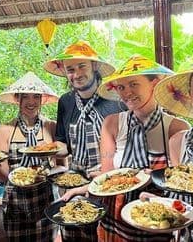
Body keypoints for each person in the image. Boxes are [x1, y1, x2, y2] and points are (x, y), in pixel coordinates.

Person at [62, 55, 189, 241]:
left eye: (133, 84)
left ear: (154, 83)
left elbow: (181, 184)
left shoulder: (177, 128)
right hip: (115, 218)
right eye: (121, 87)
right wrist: (88, 187)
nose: (126, 92)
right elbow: (107, 177)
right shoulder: (112, 124)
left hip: (157, 220)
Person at [44, 40, 126, 242]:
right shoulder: (66, 101)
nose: (76, 74)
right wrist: (47, 149)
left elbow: (127, 146)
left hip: (109, 181)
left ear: (95, 66)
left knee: (105, 235)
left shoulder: (116, 99)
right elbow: (64, 146)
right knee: (74, 234)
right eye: (70, 69)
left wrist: (110, 170)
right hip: (75, 180)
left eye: (82, 66)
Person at [0, 71, 59, 242]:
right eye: (25, 97)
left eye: (36, 97)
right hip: (16, 199)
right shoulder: (5, 129)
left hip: (47, 198)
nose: (31, 102)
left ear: (41, 100)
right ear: (17, 99)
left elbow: (60, 162)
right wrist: (19, 180)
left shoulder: (51, 126)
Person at [154, 59, 193, 242]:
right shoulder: (178, 142)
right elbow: (180, 200)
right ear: (190, 94)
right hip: (189, 236)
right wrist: (156, 201)